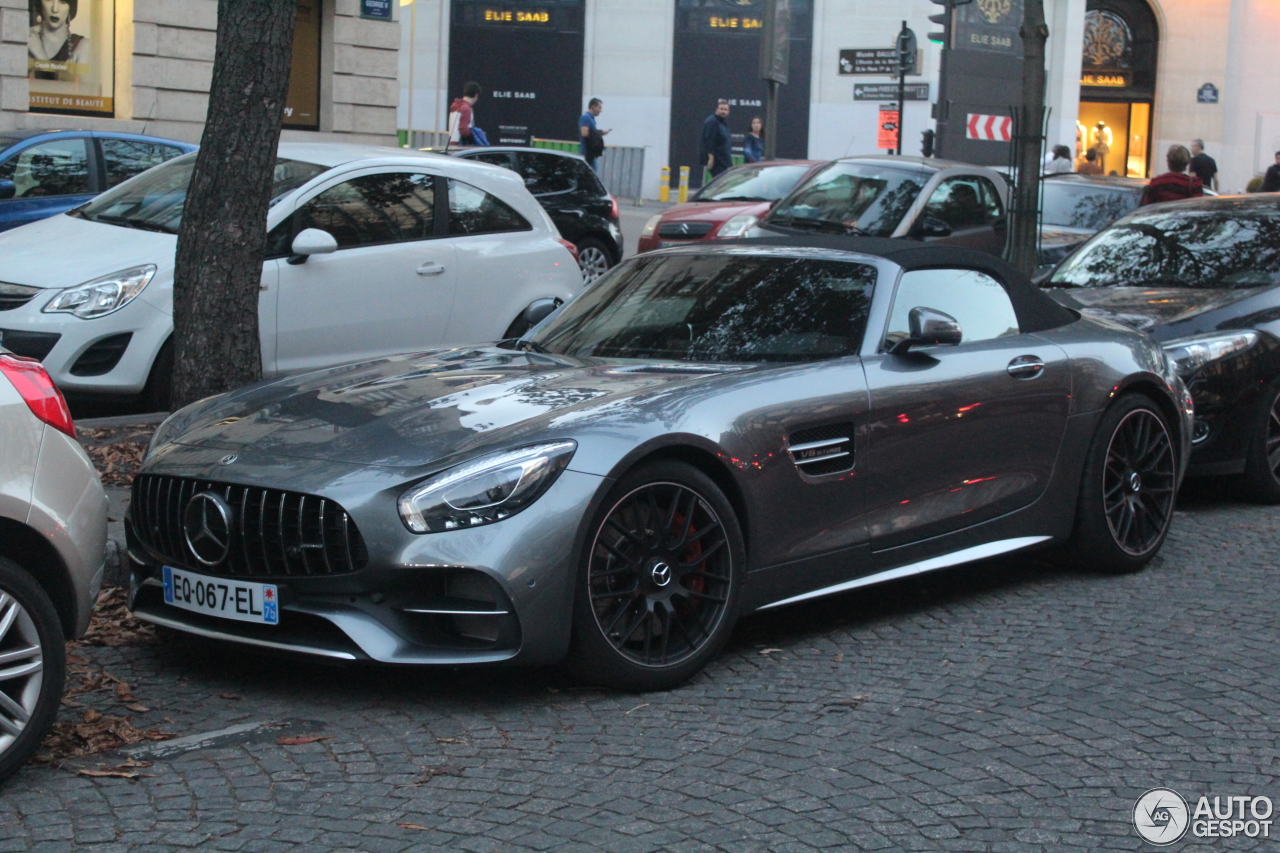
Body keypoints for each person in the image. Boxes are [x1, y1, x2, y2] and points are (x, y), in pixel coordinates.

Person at [28, 0, 87, 82]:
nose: (55, 9)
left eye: (62, 1)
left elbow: (80, 92)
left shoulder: (82, 45)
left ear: (71, 6)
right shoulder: (27, 37)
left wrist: (40, 56)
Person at [1140, 144, 1204, 206]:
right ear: (1186, 163)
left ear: (1168, 161)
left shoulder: (1156, 182)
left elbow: (1146, 207)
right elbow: (1197, 207)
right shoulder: (1194, 183)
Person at [700, 101, 732, 180]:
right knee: (720, 184)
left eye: (725, 110)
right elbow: (709, 141)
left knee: (722, 185)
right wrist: (711, 159)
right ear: (717, 110)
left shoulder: (723, 123)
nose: (723, 111)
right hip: (717, 162)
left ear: (728, 111)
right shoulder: (712, 122)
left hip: (723, 161)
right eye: (721, 109)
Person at [578, 98, 609, 174]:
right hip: (586, 153)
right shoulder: (585, 117)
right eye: (599, 107)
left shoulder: (591, 119)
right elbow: (584, 133)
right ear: (593, 107)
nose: (600, 110)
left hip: (591, 153)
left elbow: (592, 133)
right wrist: (600, 132)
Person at [449, 81, 482, 146]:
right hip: (462, 147)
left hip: (452, 145)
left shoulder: (455, 105)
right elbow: (464, 131)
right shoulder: (466, 108)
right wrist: (475, 134)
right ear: (476, 95)